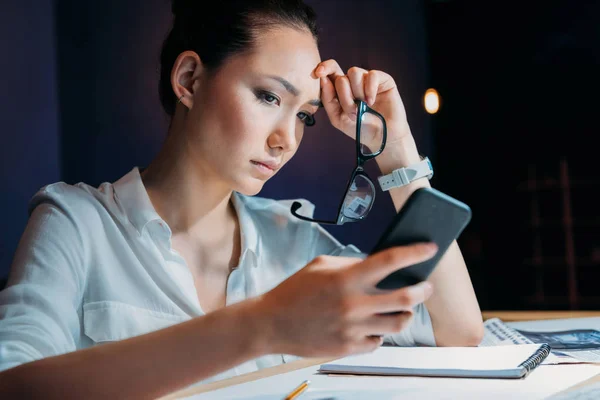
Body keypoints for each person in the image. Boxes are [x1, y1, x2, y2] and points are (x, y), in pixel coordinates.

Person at [0, 0, 483, 398]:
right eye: (270, 97)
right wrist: (260, 325)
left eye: (304, 116)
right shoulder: (76, 222)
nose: (286, 140)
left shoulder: (294, 242)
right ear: (189, 78)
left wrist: (396, 148)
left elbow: (456, 330)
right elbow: (13, 385)